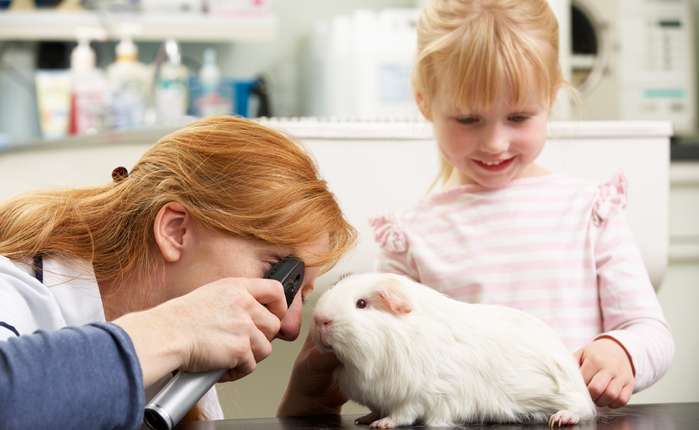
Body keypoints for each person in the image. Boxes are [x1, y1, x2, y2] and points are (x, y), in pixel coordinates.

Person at [369, 0, 674, 409]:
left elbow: (649, 329)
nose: (495, 143)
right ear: (425, 102)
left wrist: (622, 351)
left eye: (518, 118)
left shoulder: (588, 213)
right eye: (468, 120)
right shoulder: (412, 238)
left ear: (550, 97)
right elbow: (394, 354)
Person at [0, 116, 356, 429]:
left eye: (301, 293)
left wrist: (307, 415)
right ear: (175, 230)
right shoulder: (14, 289)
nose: (290, 326)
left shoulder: (176, 365)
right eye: (280, 273)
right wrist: (176, 329)